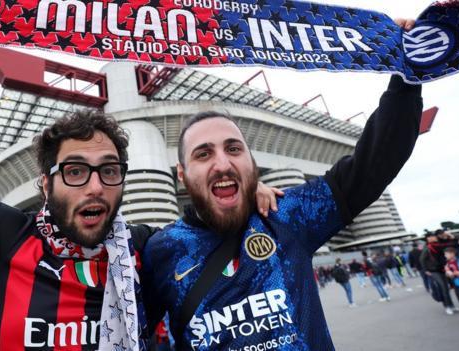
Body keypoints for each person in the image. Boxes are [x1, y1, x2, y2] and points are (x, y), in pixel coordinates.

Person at [0, 27, 280, 350]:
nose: (96, 186)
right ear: (46, 185)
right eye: (76, 172)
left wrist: (245, 188)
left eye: (109, 171)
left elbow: (218, 226)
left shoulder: (148, 250)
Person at [140, 18, 421, 350]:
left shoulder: (288, 215)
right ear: (182, 175)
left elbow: (374, 163)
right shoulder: (160, 250)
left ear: (251, 162)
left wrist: (407, 77)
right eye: (203, 154)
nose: (222, 163)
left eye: (233, 149)